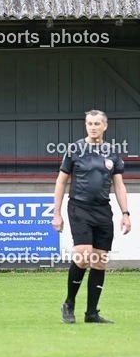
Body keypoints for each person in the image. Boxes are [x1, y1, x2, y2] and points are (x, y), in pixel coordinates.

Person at [52, 110, 130, 324]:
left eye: (97, 123)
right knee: (84, 254)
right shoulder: (74, 149)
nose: (93, 127)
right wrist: (57, 213)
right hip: (79, 207)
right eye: (89, 123)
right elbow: (61, 181)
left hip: (102, 210)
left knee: (99, 261)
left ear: (105, 126)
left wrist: (125, 213)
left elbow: (119, 184)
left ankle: (92, 313)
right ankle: (69, 303)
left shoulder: (112, 153)